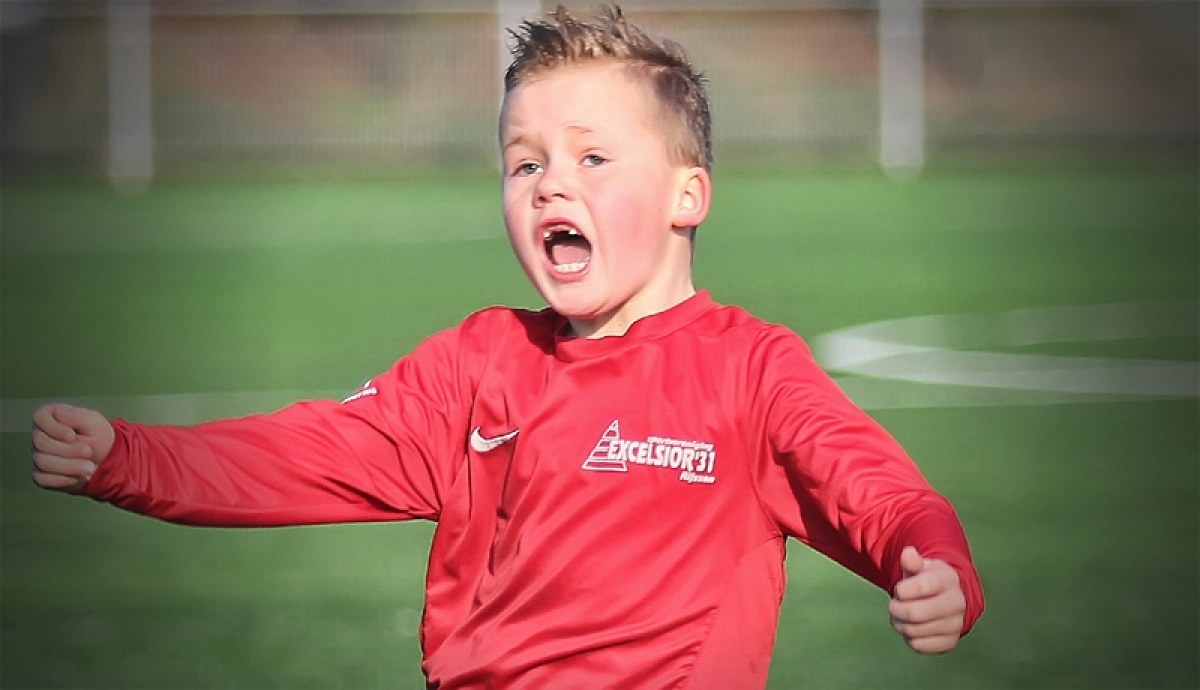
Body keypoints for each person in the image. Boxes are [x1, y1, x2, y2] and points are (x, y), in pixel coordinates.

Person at [29, 5, 984, 688]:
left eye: (592, 157)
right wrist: (127, 456)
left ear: (687, 194)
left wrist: (936, 567)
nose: (550, 184)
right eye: (525, 162)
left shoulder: (750, 369)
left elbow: (881, 494)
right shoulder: (481, 362)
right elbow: (308, 453)